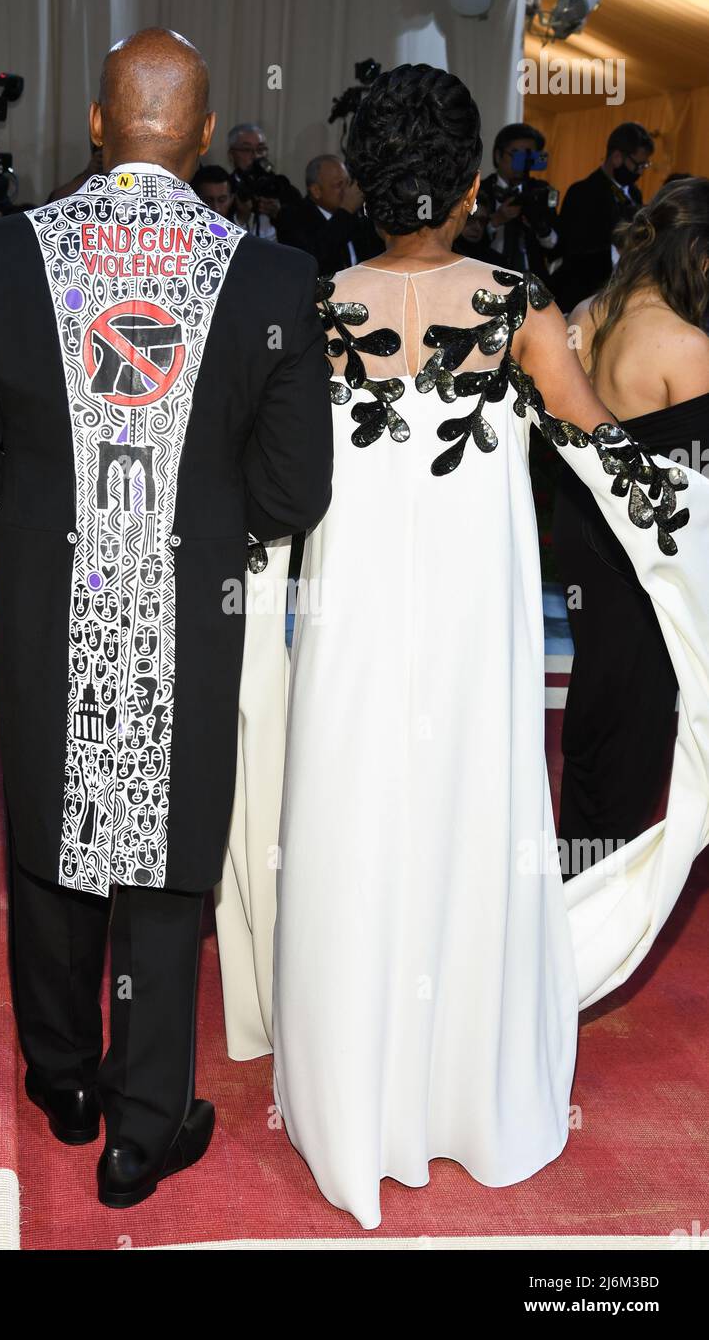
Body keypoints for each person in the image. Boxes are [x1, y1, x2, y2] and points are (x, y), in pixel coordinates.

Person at [267, 63, 709, 1229]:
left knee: (355, 816)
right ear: (470, 185)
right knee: (468, 818)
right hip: (472, 633)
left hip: (354, 627)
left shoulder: (313, 304)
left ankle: (360, 1091)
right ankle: (467, 1084)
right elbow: (606, 449)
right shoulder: (519, 307)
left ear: (362, 182)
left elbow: (268, 478)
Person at [0, 27, 333, 1209]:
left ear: (96, 125)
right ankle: (142, 1130)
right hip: (193, 606)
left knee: (51, 832)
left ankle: (61, 1082)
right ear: (202, 134)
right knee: (165, 855)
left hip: (54, 599)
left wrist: (43, 520)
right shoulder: (273, 277)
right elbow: (298, 492)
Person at [553, 178, 709, 875]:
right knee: (642, 721)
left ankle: (577, 869)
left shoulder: (586, 314)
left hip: (582, 539)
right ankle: (602, 899)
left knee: (599, 705)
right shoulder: (685, 344)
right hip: (650, 559)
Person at [554, 122, 654, 315]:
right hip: (586, 292)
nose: (641, 171)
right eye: (638, 165)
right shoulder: (582, 192)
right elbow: (573, 248)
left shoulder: (634, 192)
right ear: (617, 157)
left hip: (621, 290)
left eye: (645, 165)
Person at [276, 154, 383, 272]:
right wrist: (346, 210)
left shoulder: (359, 216)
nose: (347, 190)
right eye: (339, 185)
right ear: (316, 191)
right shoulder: (292, 216)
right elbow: (312, 259)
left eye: (347, 183)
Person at [481, 122, 559, 277]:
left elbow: (556, 249)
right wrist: (495, 221)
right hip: (484, 277)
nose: (521, 162)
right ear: (498, 155)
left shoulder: (542, 191)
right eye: (515, 154)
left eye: (528, 156)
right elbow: (463, 242)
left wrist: (541, 227)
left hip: (532, 282)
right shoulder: (478, 190)